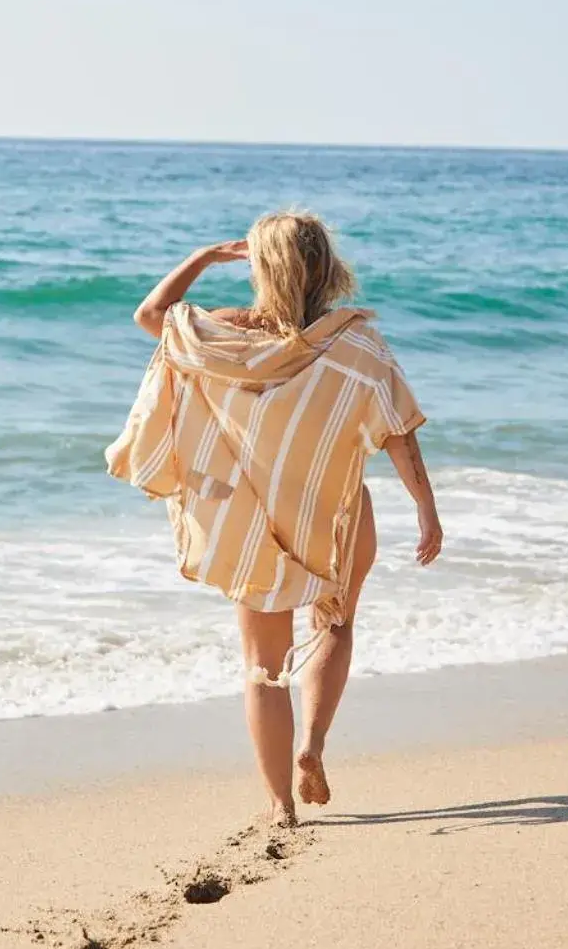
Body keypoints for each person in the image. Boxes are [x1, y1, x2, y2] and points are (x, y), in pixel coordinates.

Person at [106, 211, 443, 826]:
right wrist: (426, 507)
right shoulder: (356, 342)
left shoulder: (228, 332)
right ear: (328, 267)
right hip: (334, 509)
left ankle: (280, 806)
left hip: (252, 524)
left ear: (263, 267)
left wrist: (205, 257)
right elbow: (398, 427)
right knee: (335, 624)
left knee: (264, 670)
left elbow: (150, 316)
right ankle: (311, 747)